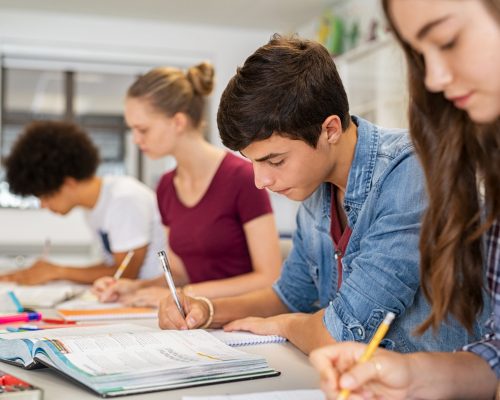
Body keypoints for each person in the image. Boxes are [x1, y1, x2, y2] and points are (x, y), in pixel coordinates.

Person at [157, 34, 489, 355]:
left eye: (275, 160)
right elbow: (289, 296)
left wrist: (288, 326)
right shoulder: (317, 189)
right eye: (253, 162)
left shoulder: (410, 172)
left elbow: (342, 334)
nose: (260, 181)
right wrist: (207, 309)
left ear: (329, 130)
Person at [309, 0, 500, 398]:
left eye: (447, 41)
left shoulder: (404, 170)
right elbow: (495, 352)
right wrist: (414, 376)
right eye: (418, 54)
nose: (433, 79)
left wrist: (281, 324)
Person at [92, 62, 282, 307]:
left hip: (245, 318)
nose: (136, 140)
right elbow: (180, 273)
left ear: (178, 122)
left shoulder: (243, 177)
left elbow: (268, 277)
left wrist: (186, 293)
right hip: (197, 319)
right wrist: (135, 287)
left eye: (143, 130)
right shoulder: (166, 187)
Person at [0, 120, 166, 285]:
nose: (43, 205)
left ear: (68, 183)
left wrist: (57, 271)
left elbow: (126, 273)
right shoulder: (94, 207)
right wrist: (51, 272)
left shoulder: (123, 198)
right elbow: (111, 266)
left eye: (45, 196)